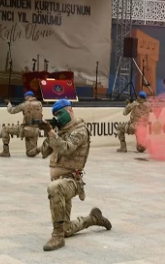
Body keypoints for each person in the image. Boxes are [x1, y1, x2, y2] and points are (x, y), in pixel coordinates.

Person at [39, 99, 111, 250]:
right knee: (66, 228)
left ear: (70, 111)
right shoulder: (60, 131)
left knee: (54, 188)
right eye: (55, 115)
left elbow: (66, 148)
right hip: (59, 181)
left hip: (71, 181)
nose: (58, 117)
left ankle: (57, 237)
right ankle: (92, 219)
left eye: (60, 113)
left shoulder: (80, 130)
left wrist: (52, 133)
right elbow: (45, 152)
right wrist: (51, 131)